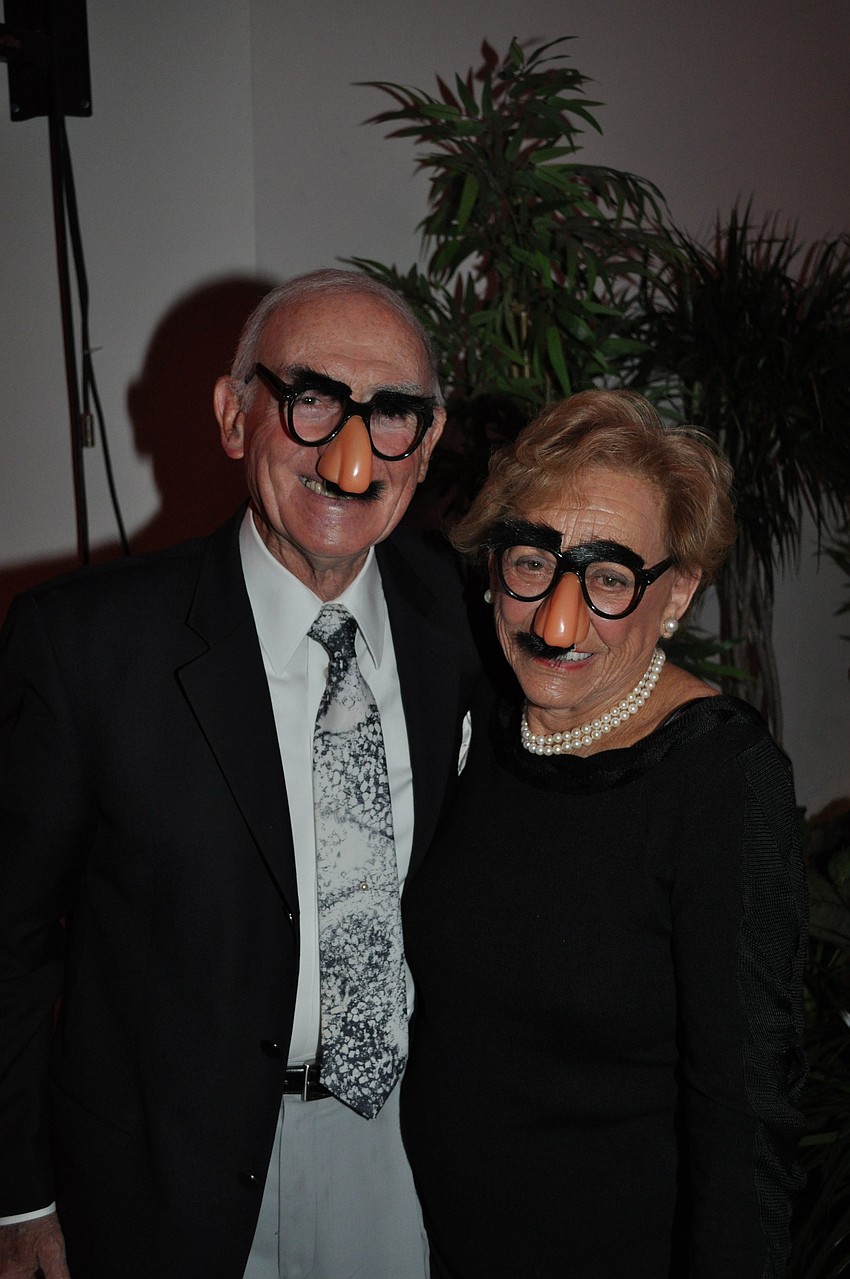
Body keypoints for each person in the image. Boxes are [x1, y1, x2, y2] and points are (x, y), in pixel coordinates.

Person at [0, 269, 478, 1279]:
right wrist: (17, 1194)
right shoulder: (84, 644)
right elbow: (5, 937)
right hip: (157, 1178)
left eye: (391, 415)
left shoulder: (467, 626)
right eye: (310, 402)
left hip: (395, 1155)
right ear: (233, 415)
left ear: (426, 445)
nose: (350, 456)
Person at [401, 390, 808, 1278]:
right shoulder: (481, 720)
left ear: (677, 594)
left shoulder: (721, 780)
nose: (555, 621)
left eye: (611, 577)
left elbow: (747, 1119)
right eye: (533, 562)